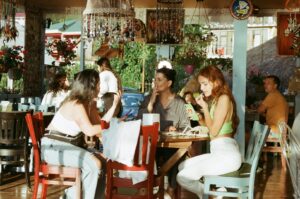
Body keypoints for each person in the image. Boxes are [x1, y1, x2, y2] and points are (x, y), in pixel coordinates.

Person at [41, 69, 120, 199]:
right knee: (94, 164)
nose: (100, 87)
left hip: (68, 145)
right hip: (53, 147)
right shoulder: (76, 104)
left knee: (103, 162)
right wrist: (112, 127)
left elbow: (100, 127)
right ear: (90, 85)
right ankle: (71, 195)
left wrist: (113, 107)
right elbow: (90, 130)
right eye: (98, 84)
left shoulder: (89, 104)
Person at [176, 65, 242, 198]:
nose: (201, 88)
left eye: (205, 84)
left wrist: (205, 108)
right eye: (201, 84)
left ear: (216, 82)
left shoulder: (224, 99)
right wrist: (200, 117)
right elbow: (211, 127)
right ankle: (215, 192)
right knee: (182, 166)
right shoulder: (218, 99)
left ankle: (207, 193)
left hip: (226, 157)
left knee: (181, 177)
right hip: (219, 152)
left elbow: (214, 131)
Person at [138, 67, 190, 198]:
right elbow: (138, 121)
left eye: (159, 79)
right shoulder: (148, 99)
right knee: (146, 151)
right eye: (155, 79)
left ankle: (171, 189)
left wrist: (176, 130)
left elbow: (187, 127)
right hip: (152, 144)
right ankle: (149, 186)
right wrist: (150, 105)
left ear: (169, 83)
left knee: (175, 154)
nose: (156, 82)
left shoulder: (180, 102)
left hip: (171, 146)